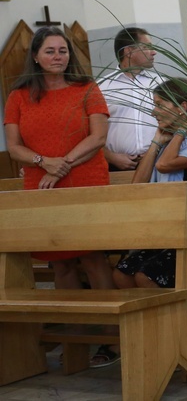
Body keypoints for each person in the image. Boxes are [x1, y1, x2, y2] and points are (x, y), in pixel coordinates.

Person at [3, 26, 117, 365]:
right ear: (36, 56)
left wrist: (60, 165)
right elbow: (13, 147)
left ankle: (112, 338)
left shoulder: (86, 89)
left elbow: (98, 137)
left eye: (63, 51)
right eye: (50, 51)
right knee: (61, 260)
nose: (58, 57)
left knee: (94, 258)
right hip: (42, 184)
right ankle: (76, 338)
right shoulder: (19, 95)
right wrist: (44, 163)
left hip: (83, 179)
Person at [113, 78, 187, 289]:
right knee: (121, 274)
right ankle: (150, 323)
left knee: (145, 277)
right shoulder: (166, 140)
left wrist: (180, 131)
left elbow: (165, 165)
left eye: (159, 105)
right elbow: (136, 186)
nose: (153, 112)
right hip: (173, 229)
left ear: (182, 107)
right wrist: (155, 143)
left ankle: (179, 322)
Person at [98, 27, 160, 171]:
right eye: (147, 47)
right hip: (115, 167)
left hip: (157, 164)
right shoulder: (101, 87)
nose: (154, 52)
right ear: (129, 51)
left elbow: (174, 123)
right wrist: (111, 157)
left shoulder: (161, 84)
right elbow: (89, 132)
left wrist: (154, 152)